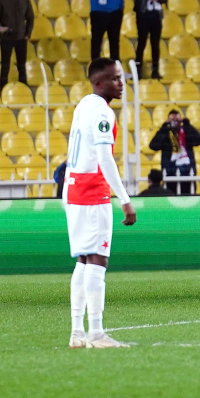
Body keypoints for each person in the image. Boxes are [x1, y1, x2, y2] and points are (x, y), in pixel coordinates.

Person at [63, 57, 137, 349]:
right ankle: (95, 333)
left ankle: (77, 333)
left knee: (83, 260)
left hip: (73, 188)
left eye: (121, 78)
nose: (121, 84)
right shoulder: (103, 113)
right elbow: (104, 158)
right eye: (115, 79)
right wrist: (125, 200)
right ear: (98, 83)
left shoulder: (84, 104)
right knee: (97, 259)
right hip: (92, 191)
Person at [0, 0, 34, 90]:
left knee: (22, 66)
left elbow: (30, 17)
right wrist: (0, 28)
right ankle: (2, 88)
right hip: (6, 38)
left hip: (21, 37)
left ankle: (24, 89)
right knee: (5, 66)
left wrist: (27, 34)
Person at [148, 110, 200, 195]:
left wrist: (187, 125)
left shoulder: (186, 132)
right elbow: (153, 146)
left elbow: (199, 140)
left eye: (177, 120)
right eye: (172, 120)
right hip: (170, 173)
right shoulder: (165, 135)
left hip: (187, 173)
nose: (174, 123)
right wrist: (163, 128)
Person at [133, 0, 167, 80]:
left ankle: (155, 70)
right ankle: (138, 69)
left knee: (155, 43)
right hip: (143, 13)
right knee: (142, 41)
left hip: (156, 14)